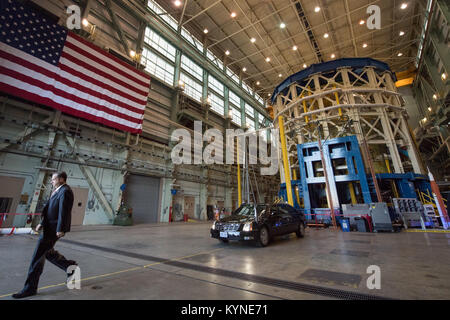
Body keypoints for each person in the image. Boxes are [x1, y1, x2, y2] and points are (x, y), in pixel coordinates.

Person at [13, 171, 77, 299]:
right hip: (48, 227)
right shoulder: (57, 191)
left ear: (62, 179)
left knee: (37, 258)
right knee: (47, 252)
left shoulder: (65, 191)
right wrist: (42, 223)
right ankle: (70, 267)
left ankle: (30, 288)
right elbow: (49, 209)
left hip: (53, 229)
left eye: (54, 179)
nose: (52, 181)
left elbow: (63, 211)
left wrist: (60, 228)